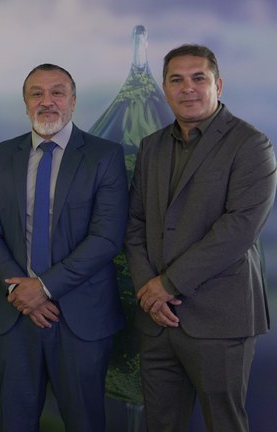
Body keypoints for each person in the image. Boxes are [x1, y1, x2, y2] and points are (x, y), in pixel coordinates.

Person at [125, 44, 276, 431]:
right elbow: (136, 222)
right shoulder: (151, 147)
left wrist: (168, 284)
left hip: (219, 318)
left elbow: (238, 229)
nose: (187, 88)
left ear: (218, 85)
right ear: (165, 88)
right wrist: (147, 288)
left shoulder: (251, 145)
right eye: (177, 79)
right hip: (156, 319)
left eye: (199, 78)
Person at [0, 64, 128, 431]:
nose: (47, 102)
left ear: (73, 102)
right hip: (14, 316)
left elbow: (106, 237)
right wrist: (18, 288)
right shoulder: (2, 155)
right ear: (26, 103)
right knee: (14, 422)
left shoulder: (104, 156)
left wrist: (42, 288)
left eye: (57, 92)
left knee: (84, 422)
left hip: (80, 318)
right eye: (37, 94)